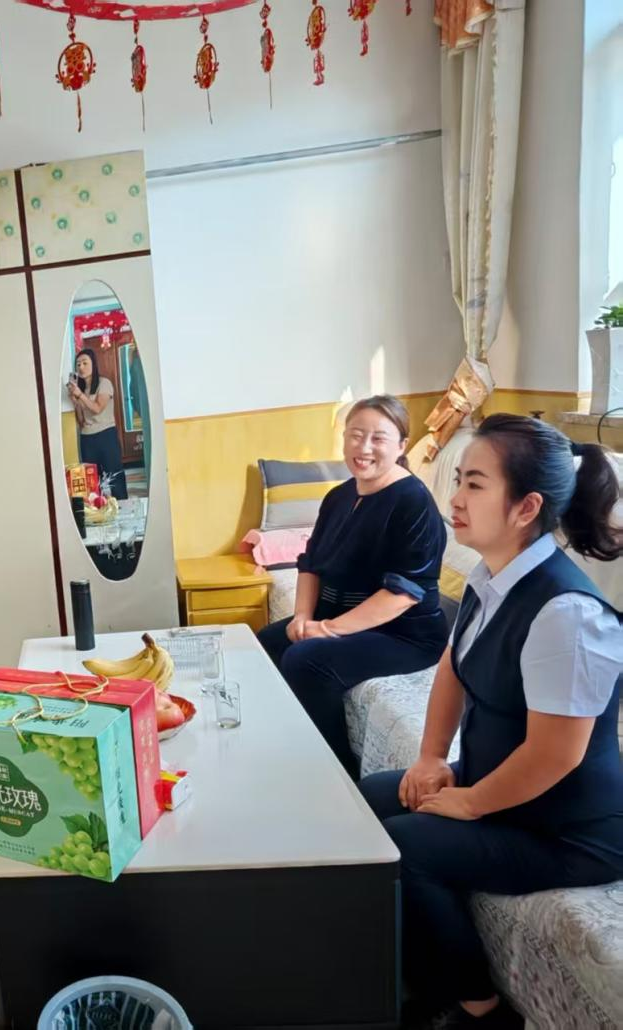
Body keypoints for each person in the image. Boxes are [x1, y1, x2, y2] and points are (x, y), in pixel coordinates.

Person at [359, 415, 623, 1028]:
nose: (455, 498)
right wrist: (431, 757)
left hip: (567, 829)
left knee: (406, 844)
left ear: (526, 507)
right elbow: (453, 667)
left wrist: (472, 802)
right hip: (504, 785)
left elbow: (557, 754)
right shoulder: (491, 577)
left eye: (474, 484)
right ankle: (407, 965)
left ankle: (478, 1008)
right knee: (371, 799)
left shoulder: (567, 614)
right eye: (459, 480)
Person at [257, 395, 448, 776]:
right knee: (267, 642)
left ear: (401, 445)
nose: (364, 448)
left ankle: (334, 772)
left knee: (307, 660)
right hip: (340, 615)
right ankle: (286, 743)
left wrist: (326, 630)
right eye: (356, 435)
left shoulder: (413, 502)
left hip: (403, 634)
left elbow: (403, 594)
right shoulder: (339, 496)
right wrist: (302, 616)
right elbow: (310, 563)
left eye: (378, 438)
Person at [69, 346, 128, 500]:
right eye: (78, 364)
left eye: (85, 363)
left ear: (93, 364)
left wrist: (80, 396)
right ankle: (98, 510)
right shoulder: (82, 389)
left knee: (115, 477)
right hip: (87, 438)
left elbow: (97, 408)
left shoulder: (104, 383)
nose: (81, 367)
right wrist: (75, 401)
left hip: (106, 435)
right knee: (92, 482)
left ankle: (122, 507)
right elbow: (82, 421)